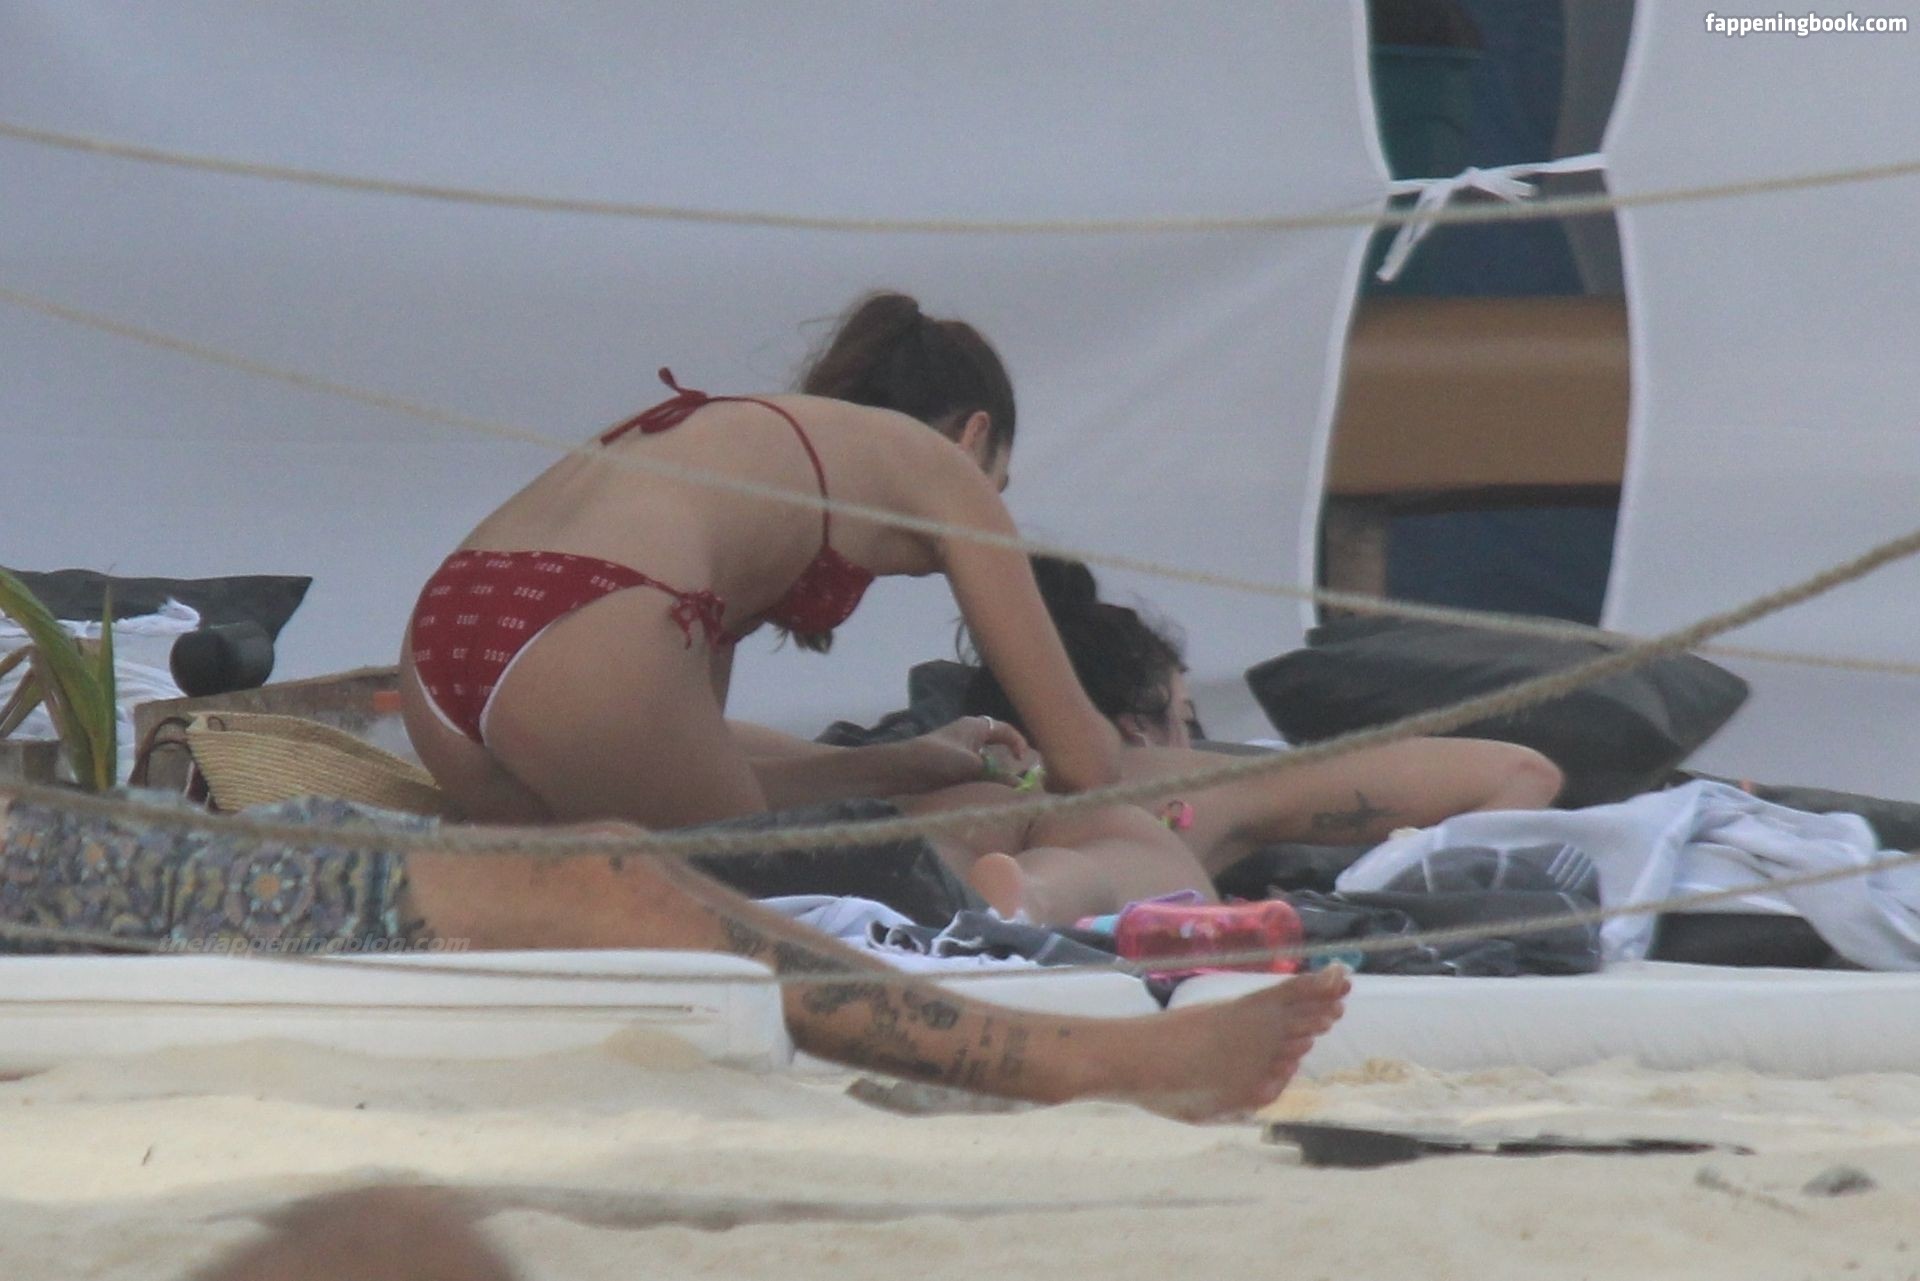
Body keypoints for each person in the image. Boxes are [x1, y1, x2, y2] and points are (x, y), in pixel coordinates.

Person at [0, 784, 1348, 1122]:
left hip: (114, 851)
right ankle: (1085, 1062)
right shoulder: (907, 465)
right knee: (609, 880)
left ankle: (1066, 1046)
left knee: (612, 853)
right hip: (109, 883)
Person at [399, 293, 1123, 830]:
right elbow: (1086, 762)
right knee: (761, 920)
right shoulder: (942, 469)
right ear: (974, 435)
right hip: (593, 627)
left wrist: (906, 763)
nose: (995, 502)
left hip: (444, 635)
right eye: (1000, 483)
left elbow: (695, 780)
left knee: (575, 923)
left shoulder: (754, 448)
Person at [937, 557, 1565, 916]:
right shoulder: (1187, 781)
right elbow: (1522, 772)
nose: (1192, 741)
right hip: (1080, 863)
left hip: (946, 831)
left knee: (953, 864)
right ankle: (1034, 897)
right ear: (1137, 727)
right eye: (1186, 720)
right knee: (1103, 868)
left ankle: (1010, 897)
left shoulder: (941, 764)